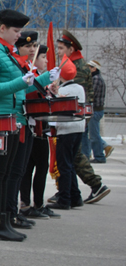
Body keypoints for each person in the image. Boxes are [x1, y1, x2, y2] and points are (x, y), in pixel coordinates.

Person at [0, 10, 55, 241]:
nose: (18, 36)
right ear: (2, 29)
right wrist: (21, 80)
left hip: (12, 119)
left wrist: (43, 79)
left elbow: (19, 90)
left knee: (8, 173)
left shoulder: (3, 52)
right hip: (1, 119)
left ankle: (5, 220)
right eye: (16, 31)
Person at [52, 31, 110, 205]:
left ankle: (95, 184)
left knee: (72, 157)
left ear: (71, 49)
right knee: (72, 156)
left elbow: (71, 96)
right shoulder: (78, 64)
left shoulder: (75, 67)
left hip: (74, 119)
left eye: (61, 48)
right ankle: (71, 192)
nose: (58, 52)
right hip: (79, 118)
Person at [18, 44, 57, 219]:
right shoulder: (30, 75)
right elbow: (29, 98)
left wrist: (51, 93)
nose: (46, 61)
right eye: (43, 57)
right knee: (29, 168)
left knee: (41, 168)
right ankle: (26, 205)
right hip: (32, 127)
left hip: (41, 128)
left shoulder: (39, 77)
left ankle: (38, 203)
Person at [50, 61, 85, 210]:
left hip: (66, 129)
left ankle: (65, 198)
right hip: (79, 128)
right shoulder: (80, 88)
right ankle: (75, 196)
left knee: (64, 165)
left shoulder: (63, 90)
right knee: (70, 164)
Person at [85, 60, 112, 163]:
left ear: (94, 69)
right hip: (95, 111)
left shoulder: (96, 79)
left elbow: (91, 94)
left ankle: (99, 156)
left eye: (89, 68)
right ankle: (86, 155)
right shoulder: (96, 78)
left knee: (94, 135)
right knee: (88, 134)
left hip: (95, 111)